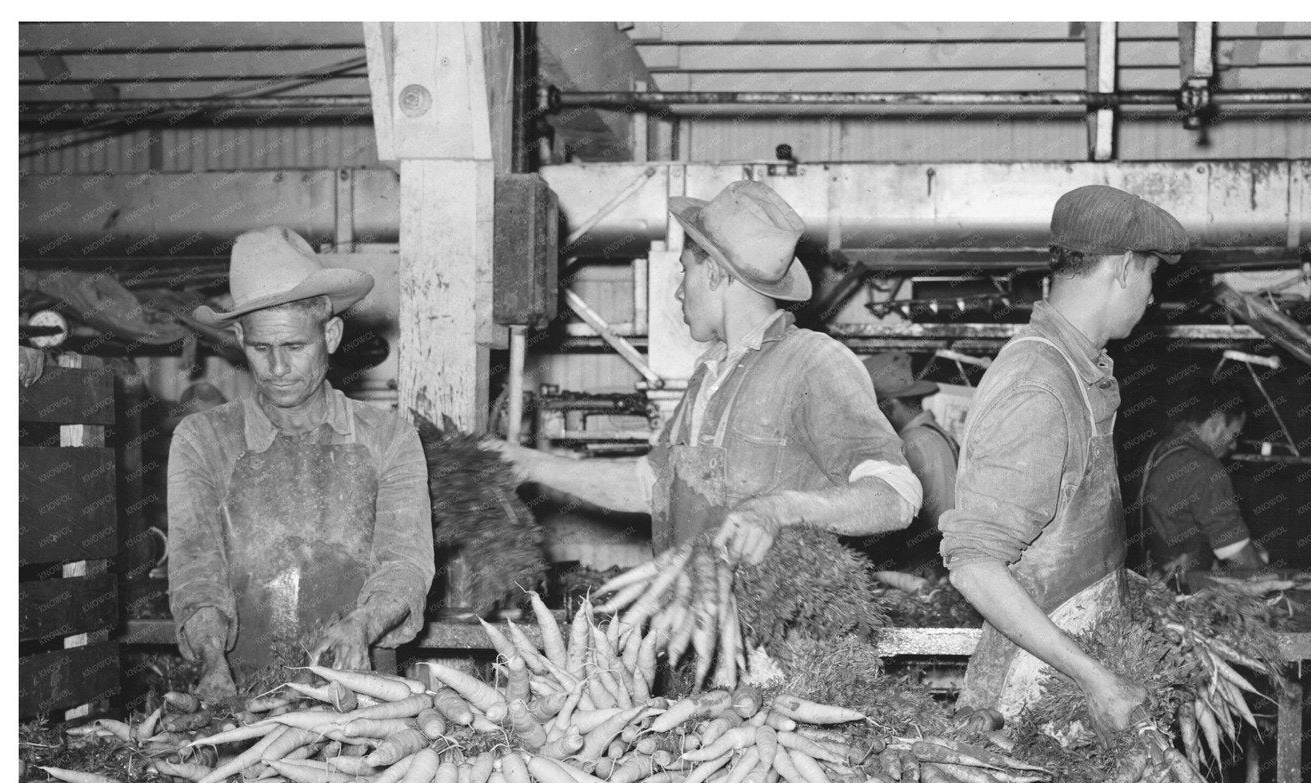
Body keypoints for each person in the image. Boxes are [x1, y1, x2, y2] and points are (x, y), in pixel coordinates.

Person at [494, 179, 920, 562]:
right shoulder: (710, 373)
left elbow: (896, 494)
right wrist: (527, 464)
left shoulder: (813, 362)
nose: (679, 290)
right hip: (697, 626)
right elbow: (652, 485)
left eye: (685, 270)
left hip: (777, 641)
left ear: (715, 273)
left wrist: (781, 509)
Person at [941, 184, 1191, 741]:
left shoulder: (1078, 376)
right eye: (1151, 275)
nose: (1151, 297)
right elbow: (974, 565)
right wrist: (1096, 678)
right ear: (1125, 268)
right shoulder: (1040, 384)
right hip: (1023, 713)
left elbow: (1057, 544)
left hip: (1060, 701)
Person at [170, 226, 435, 701]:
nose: (276, 368)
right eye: (260, 348)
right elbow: (197, 568)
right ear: (238, 337)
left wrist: (360, 625)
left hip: (361, 687)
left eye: (294, 347)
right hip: (240, 690)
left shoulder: (389, 438)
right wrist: (212, 661)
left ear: (330, 335)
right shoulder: (202, 439)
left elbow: (405, 563)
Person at [1139, 379, 1262, 578]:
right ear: (1215, 422)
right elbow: (1237, 554)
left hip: (1149, 582)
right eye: (1234, 435)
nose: (1233, 446)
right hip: (1180, 595)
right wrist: (1270, 581)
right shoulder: (1203, 469)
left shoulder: (1157, 451)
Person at [863, 351, 959, 571]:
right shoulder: (937, 433)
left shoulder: (909, 444)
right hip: (943, 553)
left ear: (888, 405)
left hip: (926, 559)